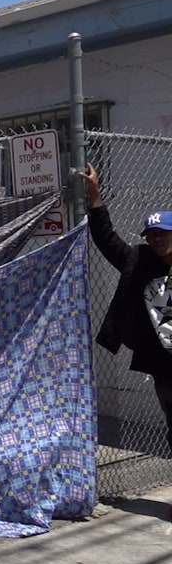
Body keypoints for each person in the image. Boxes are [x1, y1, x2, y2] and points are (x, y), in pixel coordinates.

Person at [80, 163, 172, 451]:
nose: (156, 239)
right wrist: (95, 195)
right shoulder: (139, 262)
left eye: (163, 232)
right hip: (164, 363)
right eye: (151, 234)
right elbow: (106, 239)